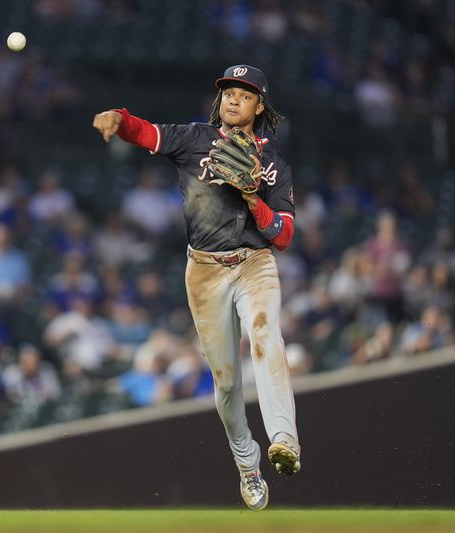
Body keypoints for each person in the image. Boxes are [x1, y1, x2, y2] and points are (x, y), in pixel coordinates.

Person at [93, 64, 300, 510]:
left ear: (259, 106)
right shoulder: (194, 139)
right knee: (226, 383)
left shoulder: (275, 166)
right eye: (229, 91)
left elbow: (282, 235)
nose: (233, 100)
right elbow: (146, 133)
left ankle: (284, 439)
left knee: (266, 336)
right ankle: (247, 464)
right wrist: (118, 117)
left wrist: (251, 199)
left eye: (245, 95)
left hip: (253, 263)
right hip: (204, 270)